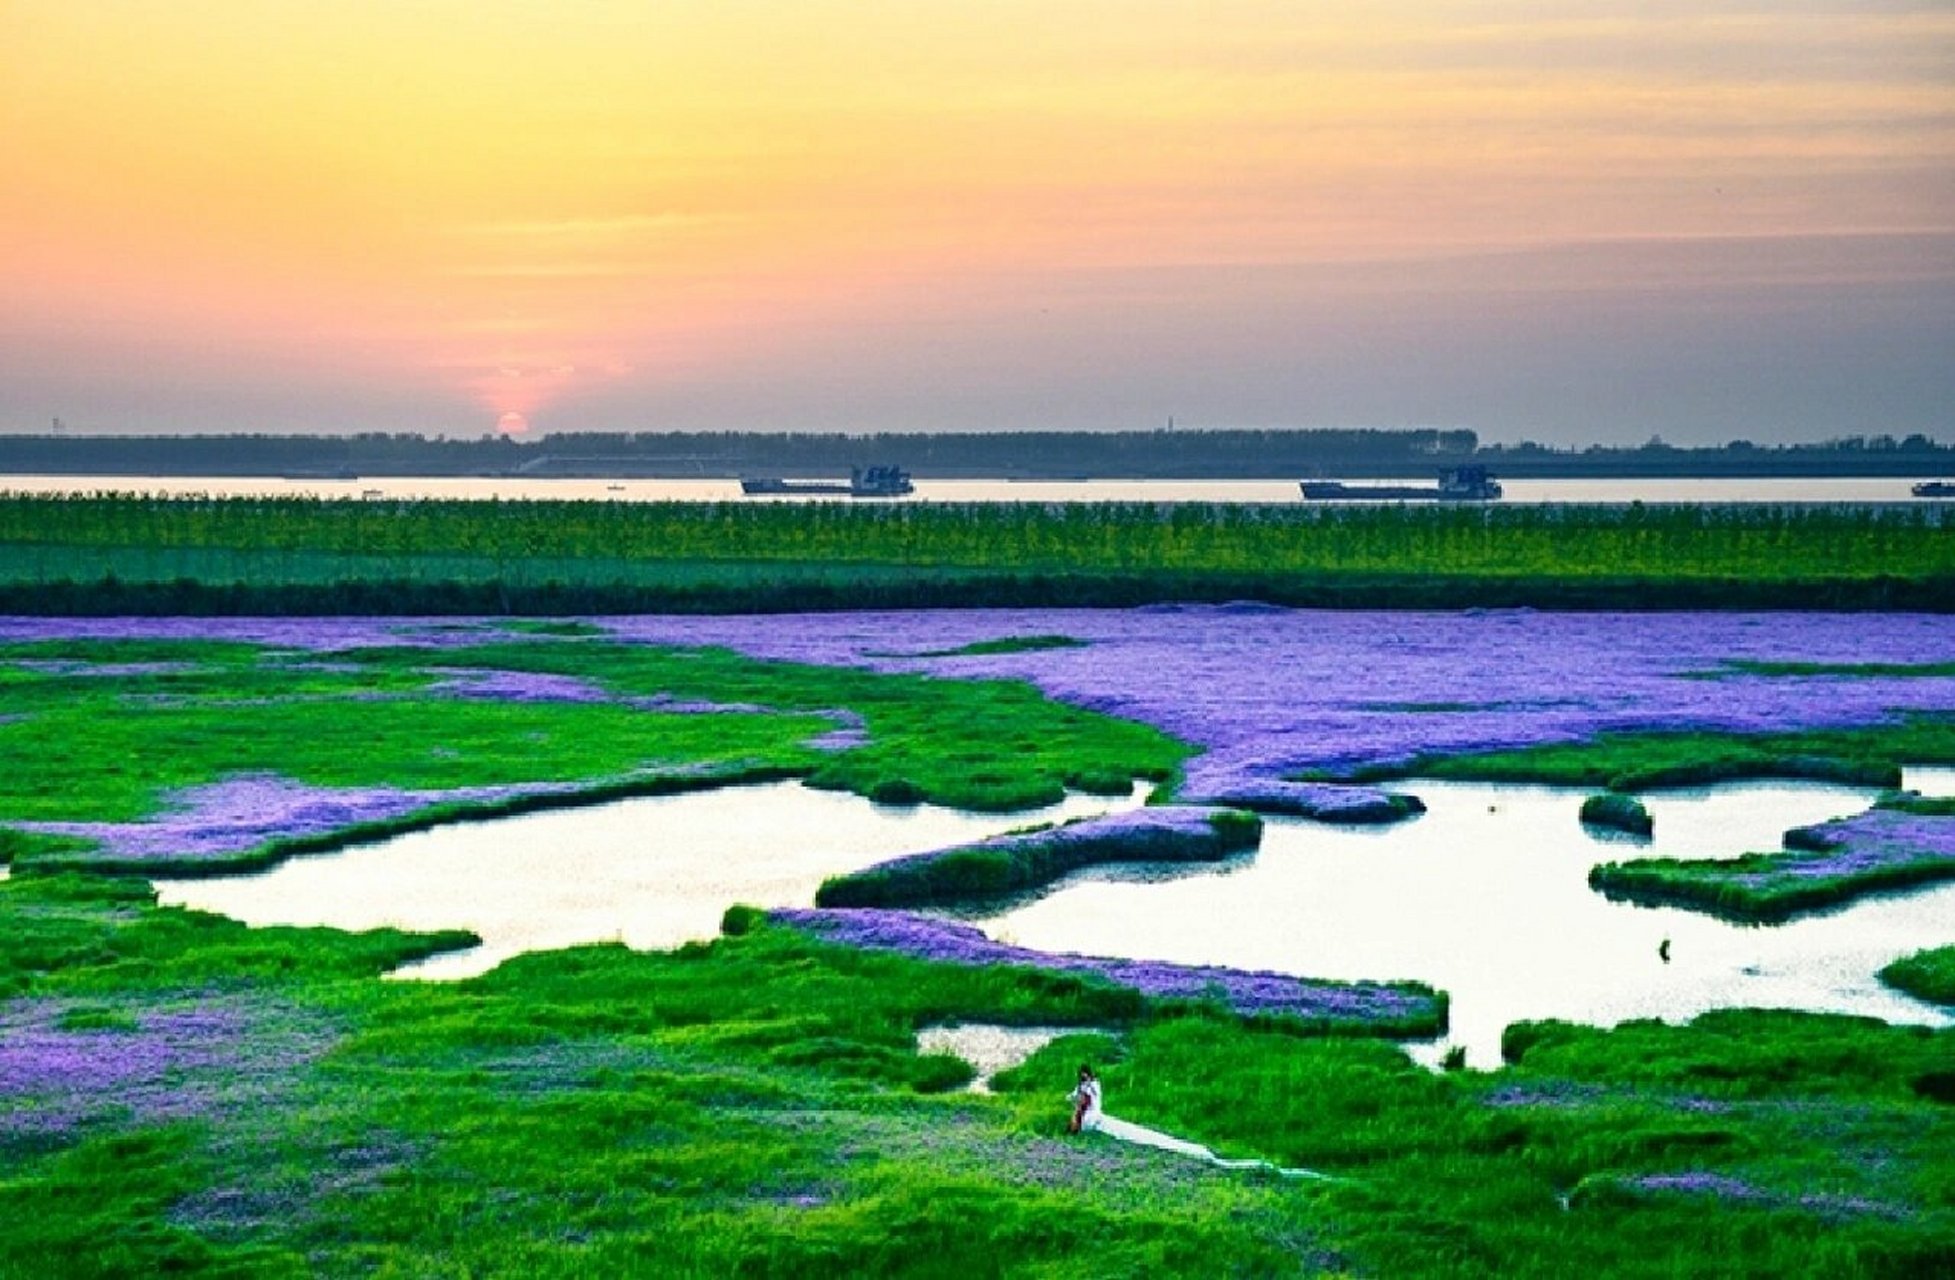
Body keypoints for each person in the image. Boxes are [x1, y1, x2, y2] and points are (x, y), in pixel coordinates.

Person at [1067, 1064, 1102, 1134]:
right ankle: (1072, 1128)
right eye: (1081, 1074)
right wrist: (1070, 1097)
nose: (1083, 1075)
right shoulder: (1081, 1084)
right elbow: (1075, 1093)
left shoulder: (1094, 1083)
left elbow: (1096, 1094)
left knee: (1086, 1120)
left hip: (1092, 1108)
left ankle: (1077, 1128)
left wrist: (1089, 1086)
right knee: (1076, 1114)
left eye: (1084, 1073)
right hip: (1082, 1107)